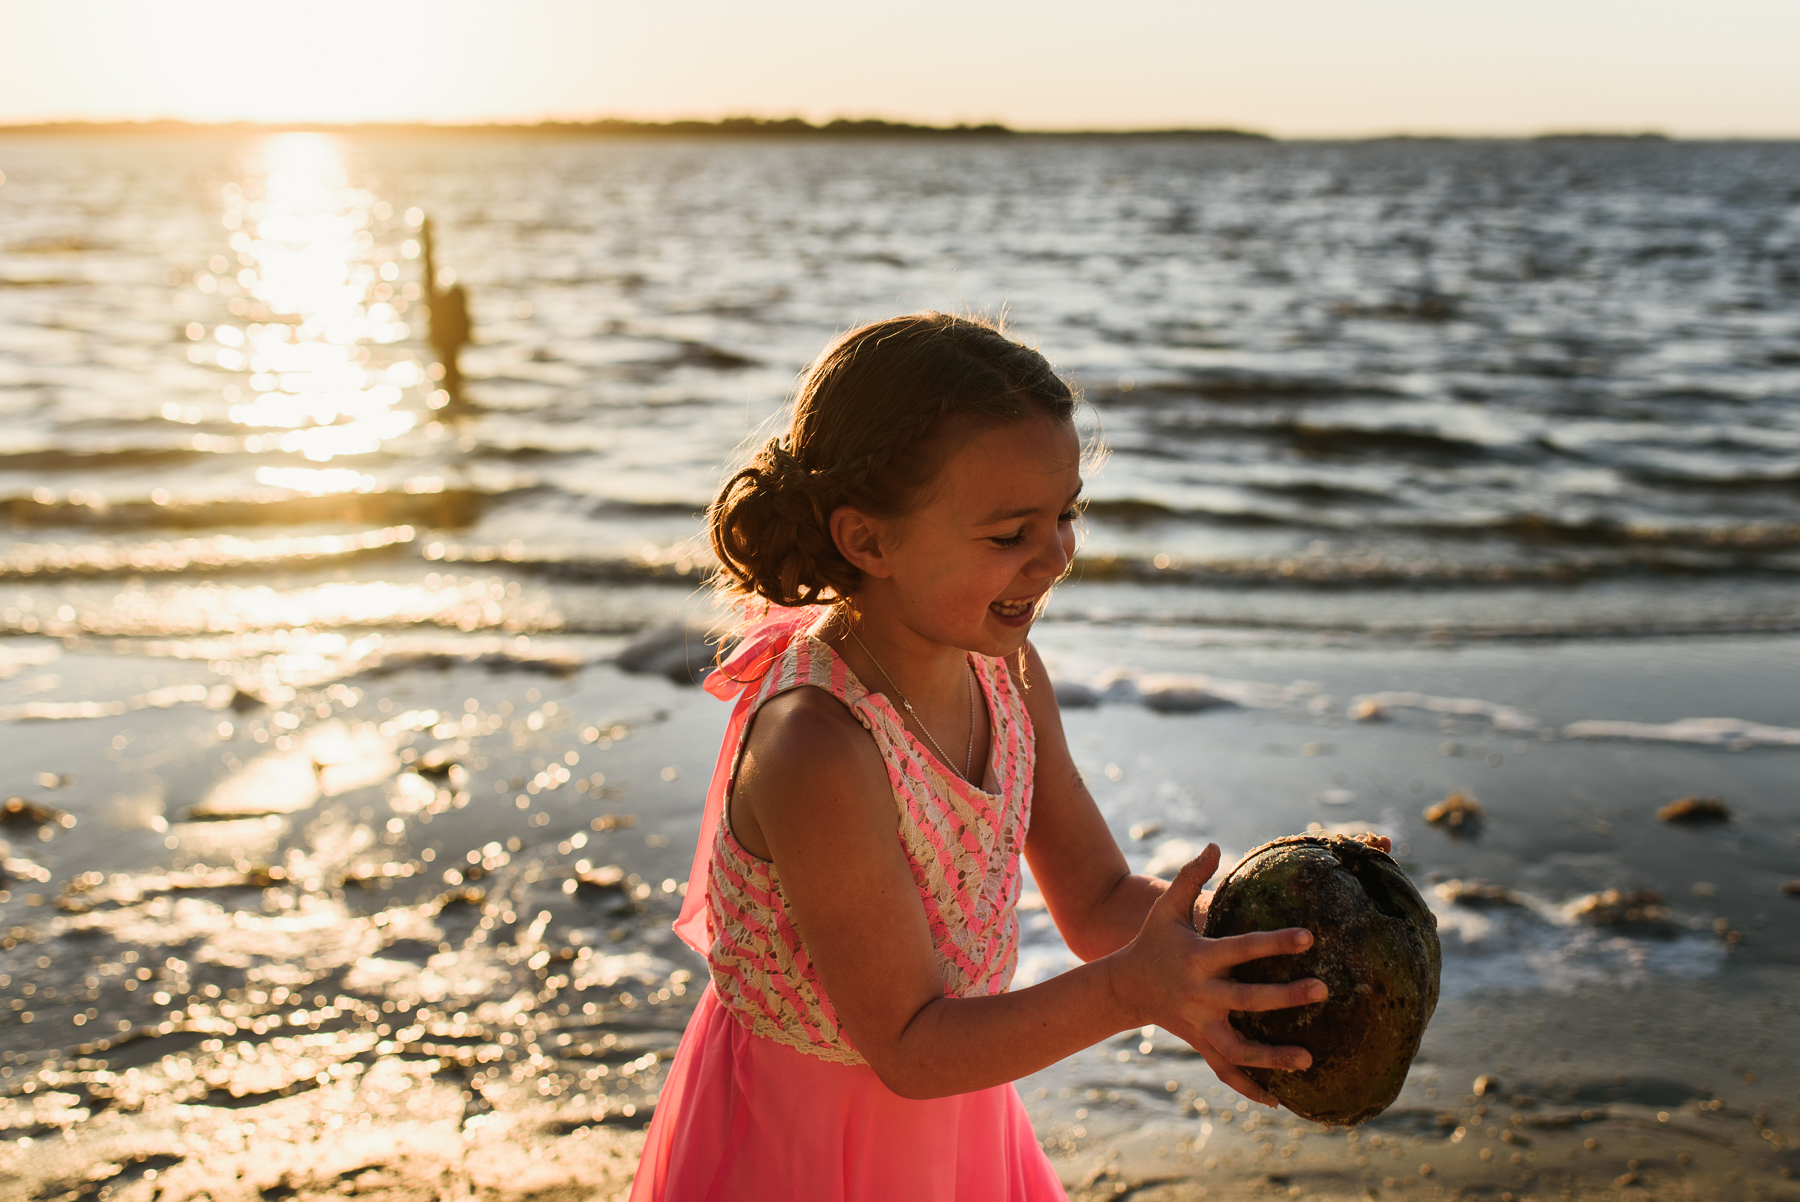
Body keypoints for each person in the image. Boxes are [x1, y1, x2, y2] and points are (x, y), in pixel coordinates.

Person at [630, 313, 1337, 1201]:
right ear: (869, 540)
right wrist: (1129, 995)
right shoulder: (819, 743)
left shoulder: (1006, 671)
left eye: (1065, 515)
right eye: (1010, 534)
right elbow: (910, 1047)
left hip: (960, 1111)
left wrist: (1268, 943)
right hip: (806, 1135)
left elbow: (1097, 899)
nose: (1055, 557)